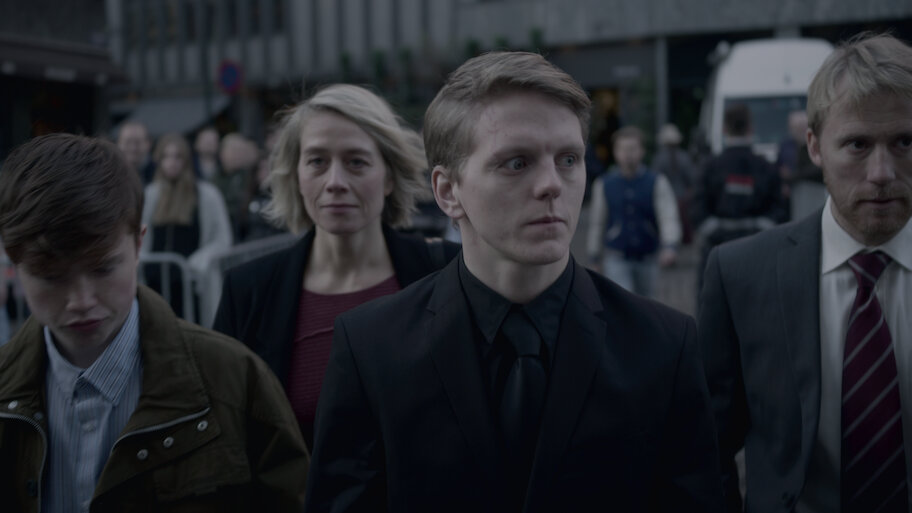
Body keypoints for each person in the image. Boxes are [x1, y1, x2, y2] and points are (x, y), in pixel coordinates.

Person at [305, 51, 723, 512]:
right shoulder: (371, 349)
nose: (552, 184)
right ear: (447, 191)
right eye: (517, 163)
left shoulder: (663, 345)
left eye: (568, 159)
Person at [0, 133, 309, 511]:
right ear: (14, 263)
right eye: (51, 277)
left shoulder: (234, 378)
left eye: (102, 269)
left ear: (138, 245)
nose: (81, 301)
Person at [698, 32, 912, 513]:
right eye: (857, 144)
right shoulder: (741, 276)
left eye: (905, 141)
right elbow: (706, 446)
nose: (882, 171)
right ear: (814, 147)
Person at [213, 84, 459, 449]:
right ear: (296, 175)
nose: (335, 183)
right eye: (317, 161)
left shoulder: (448, 274)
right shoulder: (248, 292)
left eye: (356, 162)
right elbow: (227, 435)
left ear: (389, 175)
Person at [141, 133, 232, 320]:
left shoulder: (207, 195)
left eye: (177, 156)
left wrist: (201, 259)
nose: (171, 162)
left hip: (193, 285)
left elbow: (222, 238)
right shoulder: (150, 194)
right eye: (166, 156)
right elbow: (139, 235)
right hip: (155, 285)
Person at [695, 103, 784, 294]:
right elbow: (779, 209)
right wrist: (760, 228)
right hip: (758, 253)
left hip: (717, 252)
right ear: (751, 129)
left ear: (724, 129)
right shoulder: (766, 167)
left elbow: (697, 208)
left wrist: (716, 231)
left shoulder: (710, 166)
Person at [586, 126, 681, 298]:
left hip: (648, 256)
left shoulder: (657, 181)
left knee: (647, 303)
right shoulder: (604, 184)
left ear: (642, 151)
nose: (628, 154)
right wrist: (594, 255)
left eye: (632, 148)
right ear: (615, 152)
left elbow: (668, 216)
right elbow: (597, 222)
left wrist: (670, 245)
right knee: (623, 300)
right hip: (616, 256)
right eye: (623, 149)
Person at [652, 123, 698, 244]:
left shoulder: (659, 159)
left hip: (664, 198)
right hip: (682, 198)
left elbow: (654, 180)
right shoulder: (684, 157)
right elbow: (693, 179)